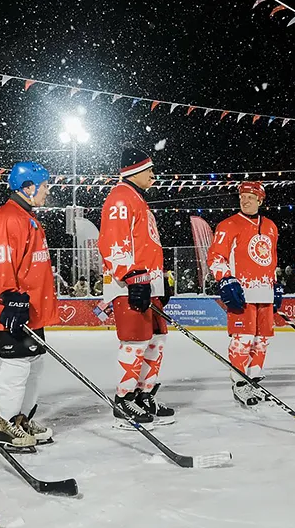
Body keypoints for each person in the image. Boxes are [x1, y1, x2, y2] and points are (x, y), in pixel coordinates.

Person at [97, 147, 173, 429]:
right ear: (134, 171)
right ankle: (124, 398)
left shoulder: (138, 199)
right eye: (149, 168)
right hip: (129, 285)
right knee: (135, 341)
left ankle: (143, 394)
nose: (153, 174)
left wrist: (160, 279)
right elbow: (112, 242)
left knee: (157, 339)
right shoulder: (120, 197)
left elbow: (146, 244)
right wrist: (130, 276)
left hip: (147, 282)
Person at [0, 162, 57, 452]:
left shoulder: (28, 217)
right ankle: (5, 424)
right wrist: (11, 298)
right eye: (44, 185)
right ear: (28, 188)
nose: (47, 190)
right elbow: (1, 262)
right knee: (16, 366)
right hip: (13, 309)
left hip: (32, 308)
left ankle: (22, 419)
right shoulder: (7, 218)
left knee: (35, 364)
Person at [206, 181, 280, 406]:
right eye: (242, 196)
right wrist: (226, 279)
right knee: (243, 339)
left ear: (260, 200)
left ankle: (255, 379)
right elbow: (216, 257)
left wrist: (275, 284)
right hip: (242, 292)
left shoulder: (270, 226)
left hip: (264, 292)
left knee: (262, 340)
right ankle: (240, 382)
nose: (245, 200)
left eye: (250, 196)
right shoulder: (228, 225)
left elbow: (271, 259)